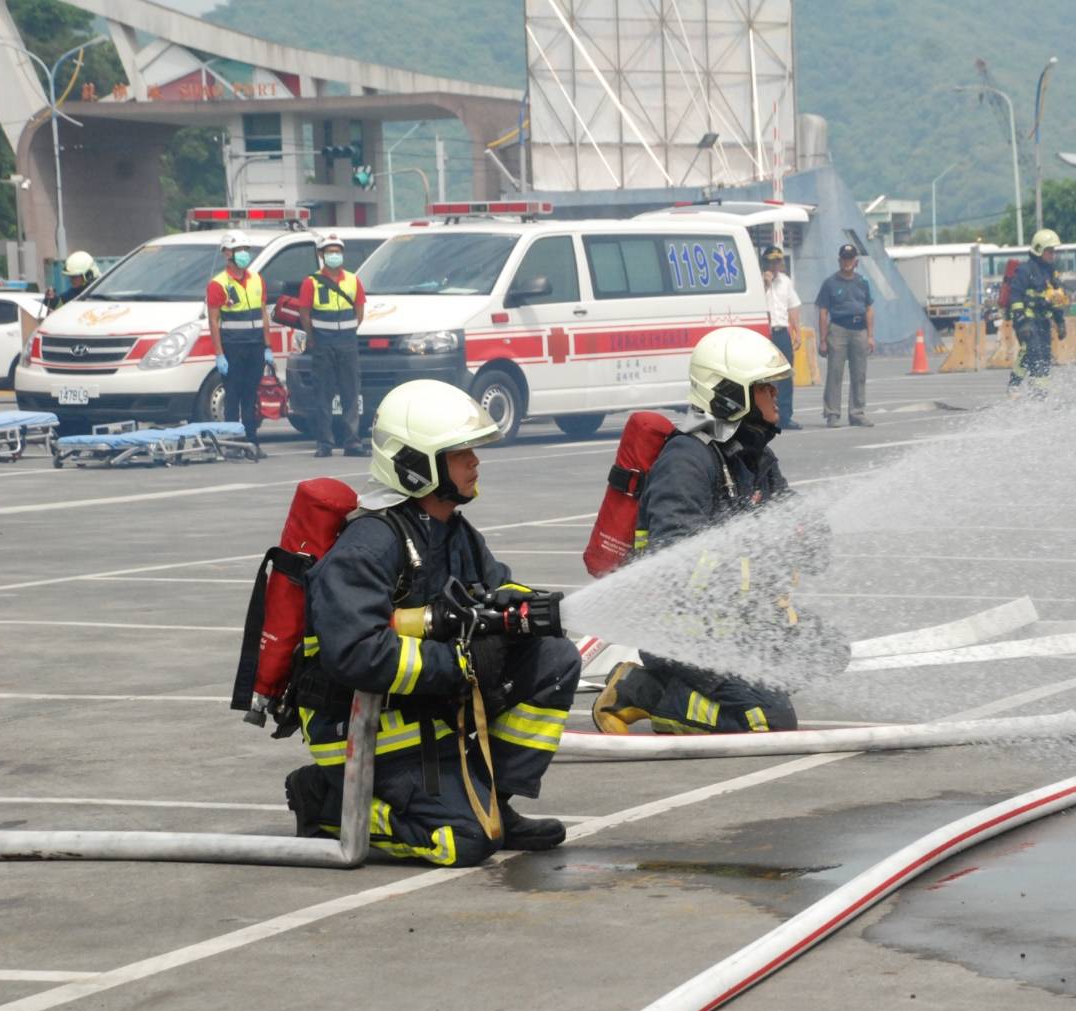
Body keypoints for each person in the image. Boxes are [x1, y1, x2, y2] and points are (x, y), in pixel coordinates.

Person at [284, 379, 579, 864]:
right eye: (460, 452)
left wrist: (524, 613)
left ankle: (494, 801)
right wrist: (460, 663)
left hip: (428, 716)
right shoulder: (370, 544)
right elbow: (354, 653)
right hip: (370, 732)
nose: (474, 462)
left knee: (553, 658)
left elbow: (492, 589)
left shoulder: (452, 532)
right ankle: (328, 799)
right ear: (416, 463)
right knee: (464, 844)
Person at [592, 327, 824, 736]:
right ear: (732, 396)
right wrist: (758, 554)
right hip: (684, 639)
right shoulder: (686, 461)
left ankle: (695, 686)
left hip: (737, 628)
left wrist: (806, 535)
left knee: (822, 649)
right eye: (766, 389)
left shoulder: (756, 458)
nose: (776, 398)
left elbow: (803, 529)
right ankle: (647, 692)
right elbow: (674, 560)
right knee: (768, 720)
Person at [298, 231, 367, 458]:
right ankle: (324, 443)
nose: (334, 255)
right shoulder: (311, 282)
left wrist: (347, 331)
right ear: (322, 255)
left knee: (351, 393)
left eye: (337, 251)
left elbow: (359, 311)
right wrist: (312, 337)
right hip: (323, 343)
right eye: (330, 252)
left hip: (347, 342)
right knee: (323, 394)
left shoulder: (353, 280)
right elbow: (304, 313)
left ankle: (352, 442)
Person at [206, 231, 273, 456]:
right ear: (227, 253)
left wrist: (268, 346)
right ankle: (233, 443)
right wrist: (219, 354)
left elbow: (264, 314)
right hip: (232, 347)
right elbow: (213, 321)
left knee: (250, 395)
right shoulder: (218, 284)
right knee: (233, 396)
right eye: (238, 250)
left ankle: (252, 441)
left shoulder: (257, 280)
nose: (244, 254)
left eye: (246, 250)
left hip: (255, 346)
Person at [816, 243, 875, 427]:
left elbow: (869, 309)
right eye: (844, 258)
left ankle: (857, 413)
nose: (847, 262)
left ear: (855, 261)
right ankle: (832, 413)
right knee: (835, 373)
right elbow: (823, 312)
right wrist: (823, 340)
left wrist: (870, 336)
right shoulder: (830, 283)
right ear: (839, 260)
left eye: (850, 259)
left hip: (859, 330)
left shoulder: (863, 282)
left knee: (859, 374)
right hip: (838, 330)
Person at [1006, 229, 1069, 399]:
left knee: (1045, 355)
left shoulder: (1051, 272)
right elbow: (1015, 296)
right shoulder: (1025, 270)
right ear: (1039, 249)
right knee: (1031, 350)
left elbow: (1055, 299)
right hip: (1026, 318)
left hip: (1042, 320)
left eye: (1053, 251)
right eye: (1049, 251)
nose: (1052, 255)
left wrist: (1060, 322)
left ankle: (1040, 392)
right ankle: (1016, 386)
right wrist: (1021, 320)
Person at [761, 245, 803, 429]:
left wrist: (797, 331)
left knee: (786, 376)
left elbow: (792, 306)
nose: (775, 265)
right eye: (772, 261)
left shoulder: (785, 281)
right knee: (767, 377)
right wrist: (764, 285)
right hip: (765, 334)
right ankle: (767, 416)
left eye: (778, 261)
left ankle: (785, 416)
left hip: (781, 331)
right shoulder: (758, 280)